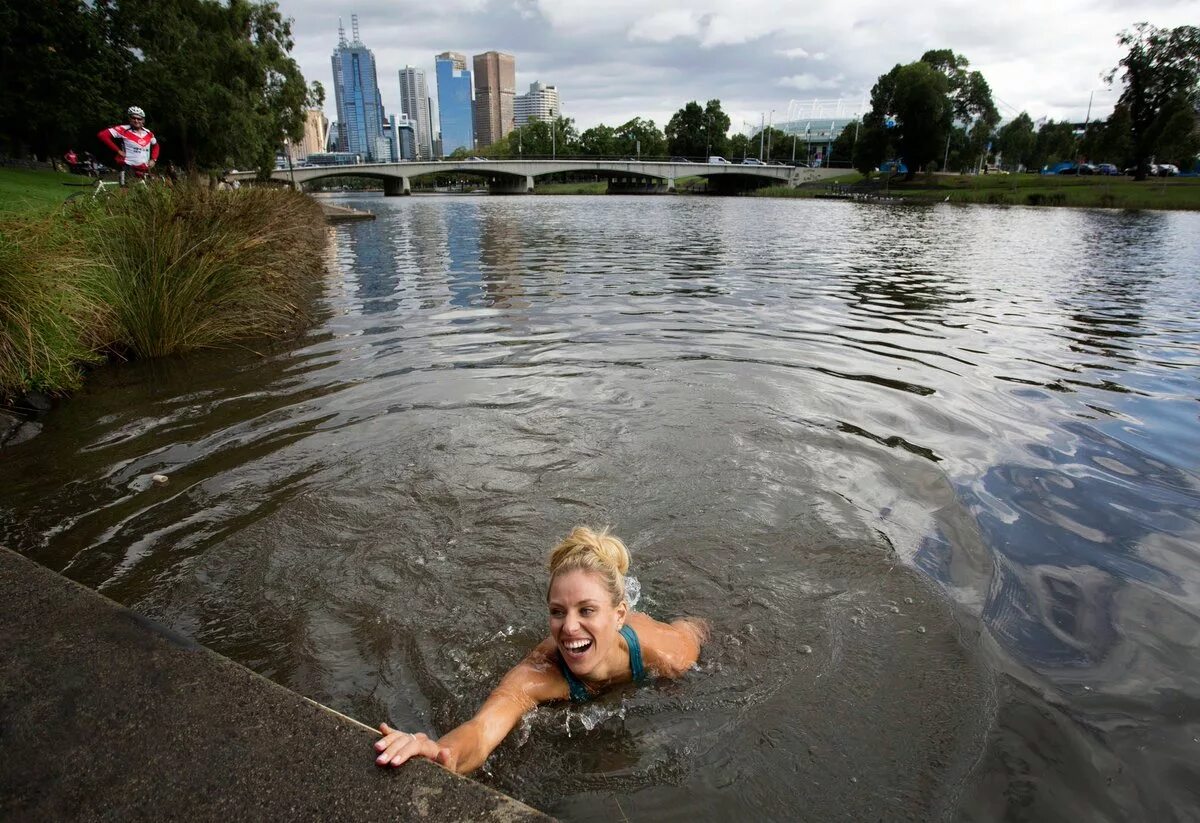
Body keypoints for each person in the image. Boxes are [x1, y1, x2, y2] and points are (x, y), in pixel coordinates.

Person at [373, 526, 708, 774]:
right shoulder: (536, 675)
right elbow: (482, 730)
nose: (569, 627)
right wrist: (437, 750)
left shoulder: (665, 651)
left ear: (619, 614)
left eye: (586, 610)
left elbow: (699, 629)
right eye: (558, 612)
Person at [97, 106, 159, 185]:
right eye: (133, 118)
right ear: (129, 119)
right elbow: (102, 135)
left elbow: (156, 146)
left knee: (146, 193)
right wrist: (118, 151)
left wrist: (153, 159)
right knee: (126, 192)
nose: (136, 121)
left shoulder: (148, 133)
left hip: (144, 168)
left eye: (139, 119)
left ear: (143, 120)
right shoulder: (123, 129)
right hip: (128, 166)